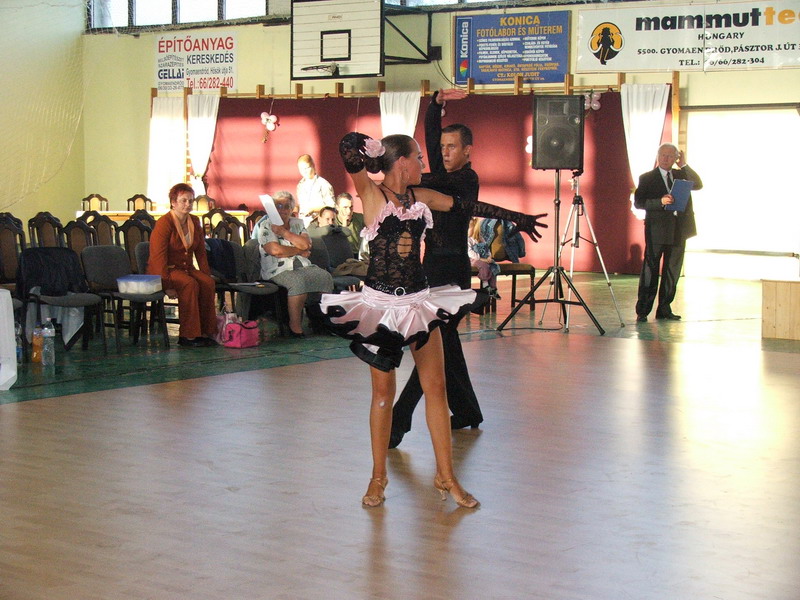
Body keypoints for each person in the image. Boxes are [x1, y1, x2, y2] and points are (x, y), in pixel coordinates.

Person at [319, 132, 547, 509]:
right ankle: (378, 478)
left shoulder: (420, 197)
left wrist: (516, 217)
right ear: (402, 162)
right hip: (380, 308)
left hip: (419, 302)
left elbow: (464, 206)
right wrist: (371, 149)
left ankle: (446, 476)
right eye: (419, 158)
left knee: (436, 387)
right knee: (382, 395)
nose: (424, 164)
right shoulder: (372, 194)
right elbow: (346, 147)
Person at [390, 89, 547, 448]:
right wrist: (435, 105)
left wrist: (516, 217)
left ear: (467, 151)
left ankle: (400, 419)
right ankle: (466, 411)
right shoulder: (438, 175)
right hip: (431, 267)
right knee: (444, 344)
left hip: (453, 272)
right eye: (441, 147)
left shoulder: (465, 179)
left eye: (451, 147)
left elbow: (448, 192)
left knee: (432, 345)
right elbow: (430, 138)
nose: (444, 152)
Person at [634, 143, 703, 322]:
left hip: (679, 230)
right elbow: (639, 202)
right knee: (650, 270)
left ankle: (664, 309)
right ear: (658, 156)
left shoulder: (681, 175)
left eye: (670, 156)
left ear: (675, 158)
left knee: (672, 271)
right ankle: (643, 310)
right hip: (657, 230)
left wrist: (684, 165)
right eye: (663, 155)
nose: (666, 159)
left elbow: (698, 184)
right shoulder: (647, 178)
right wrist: (660, 202)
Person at [253, 191, 333, 337]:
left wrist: (283, 233)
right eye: (279, 206)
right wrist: (299, 250)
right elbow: (275, 250)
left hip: (302, 265)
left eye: (287, 206)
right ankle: (295, 327)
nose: (282, 210)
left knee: (325, 277)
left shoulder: (298, 223)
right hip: (277, 269)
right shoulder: (266, 225)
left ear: (291, 209)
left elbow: (306, 244)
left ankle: (320, 321)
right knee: (297, 281)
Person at [148, 183, 218, 347]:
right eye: (184, 201)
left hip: (187, 268)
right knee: (189, 284)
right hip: (167, 269)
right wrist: (166, 285)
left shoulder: (194, 221)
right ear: (173, 202)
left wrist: (206, 274)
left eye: (191, 201)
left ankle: (206, 331)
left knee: (207, 283)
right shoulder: (164, 223)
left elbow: (201, 253)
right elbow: (158, 258)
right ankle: (188, 335)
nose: (188, 204)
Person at [296, 154, 335, 222]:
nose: (304, 171)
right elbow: (300, 205)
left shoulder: (323, 184)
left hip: (319, 223)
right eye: (301, 169)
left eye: (307, 168)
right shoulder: (300, 185)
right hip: (303, 222)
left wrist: (313, 210)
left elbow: (331, 206)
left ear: (313, 166)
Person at [468, 217, 500, 296]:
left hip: (483, 258)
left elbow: (486, 248)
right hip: (473, 259)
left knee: (493, 266)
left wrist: (488, 257)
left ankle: (493, 287)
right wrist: (482, 259)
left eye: (470, 228)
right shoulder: (467, 240)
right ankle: (485, 284)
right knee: (484, 265)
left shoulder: (479, 239)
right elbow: (470, 253)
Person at [334, 192, 365, 257]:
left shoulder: (360, 218)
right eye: (345, 207)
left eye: (351, 207)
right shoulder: (333, 222)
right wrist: (344, 224)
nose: (349, 211)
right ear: (337, 207)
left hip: (359, 255)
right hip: (341, 255)